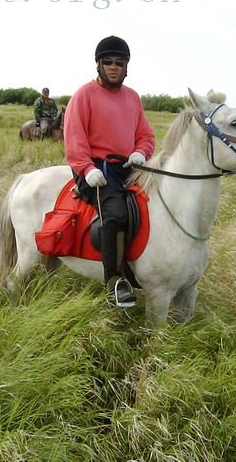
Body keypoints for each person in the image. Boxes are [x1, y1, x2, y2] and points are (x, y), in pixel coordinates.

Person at [64, 36, 156, 308]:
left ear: (126, 66)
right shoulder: (84, 95)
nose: (114, 67)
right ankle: (115, 281)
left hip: (127, 168)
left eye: (119, 62)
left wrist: (141, 151)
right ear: (98, 65)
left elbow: (146, 135)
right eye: (108, 62)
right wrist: (86, 168)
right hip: (95, 170)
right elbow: (74, 138)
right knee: (115, 214)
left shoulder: (133, 98)